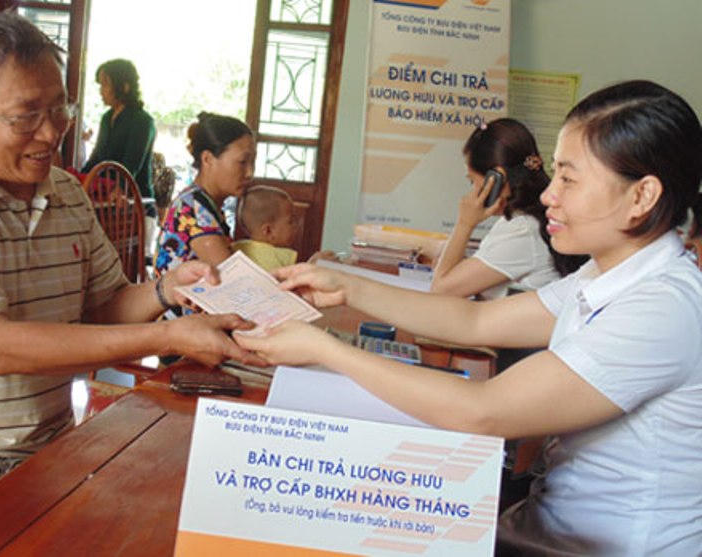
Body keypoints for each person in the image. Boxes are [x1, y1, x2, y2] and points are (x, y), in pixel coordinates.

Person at [236, 80, 702, 555]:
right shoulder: (605, 275)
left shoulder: (664, 307)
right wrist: (347, 287)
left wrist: (326, 350)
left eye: (569, 179)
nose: (548, 196)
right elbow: (475, 322)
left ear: (642, 196)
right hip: (548, 524)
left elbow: (484, 411)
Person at [0, 13, 260, 541]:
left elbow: (105, 305)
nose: (51, 133)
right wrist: (167, 337)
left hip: (50, 445)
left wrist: (167, 290)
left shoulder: (65, 193)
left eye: (60, 109)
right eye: (26, 116)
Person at [432, 118, 587, 299]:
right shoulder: (531, 218)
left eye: (472, 181)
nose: (472, 190)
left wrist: (465, 223)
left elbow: (440, 291)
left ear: (495, 179)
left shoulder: (523, 229)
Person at [154, 112, 255, 274]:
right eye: (242, 162)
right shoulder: (193, 209)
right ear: (207, 159)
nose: (250, 173)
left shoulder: (202, 202)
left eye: (252, 162)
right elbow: (232, 277)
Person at [81, 59, 158, 251]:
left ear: (124, 86)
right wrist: (78, 180)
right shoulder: (107, 118)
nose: (101, 91)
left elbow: (132, 164)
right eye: (100, 85)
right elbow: (97, 158)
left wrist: (120, 188)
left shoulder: (143, 121)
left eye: (105, 84)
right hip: (108, 203)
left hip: (135, 205)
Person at [232, 186, 299, 271]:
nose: (296, 225)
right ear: (268, 230)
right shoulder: (283, 257)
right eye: (291, 221)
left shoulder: (236, 248)